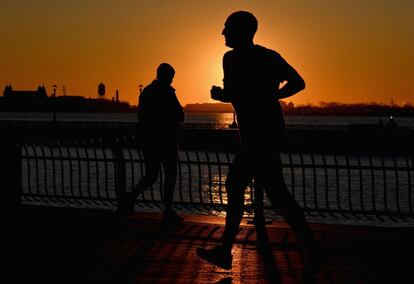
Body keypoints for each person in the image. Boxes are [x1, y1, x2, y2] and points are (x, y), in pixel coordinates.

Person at [196, 11, 320, 269]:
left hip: (256, 137)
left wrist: (221, 95)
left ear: (241, 30)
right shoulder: (269, 56)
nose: (223, 32)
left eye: (227, 27)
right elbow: (298, 82)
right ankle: (313, 247)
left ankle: (226, 251)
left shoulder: (231, 59)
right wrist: (273, 96)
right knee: (276, 193)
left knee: (239, 185)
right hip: (270, 132)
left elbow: (236, 92)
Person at [117, 63, 185, 225]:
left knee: (151, 175)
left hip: (149, 140)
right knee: (170, 175)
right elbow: (180, 115)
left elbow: (142, 115)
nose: (172, 79)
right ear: (166, 76)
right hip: (167, 139)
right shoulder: (168, 92)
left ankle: (130, 197)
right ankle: (167, 210)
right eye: (171, 76)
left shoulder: (147, 91)